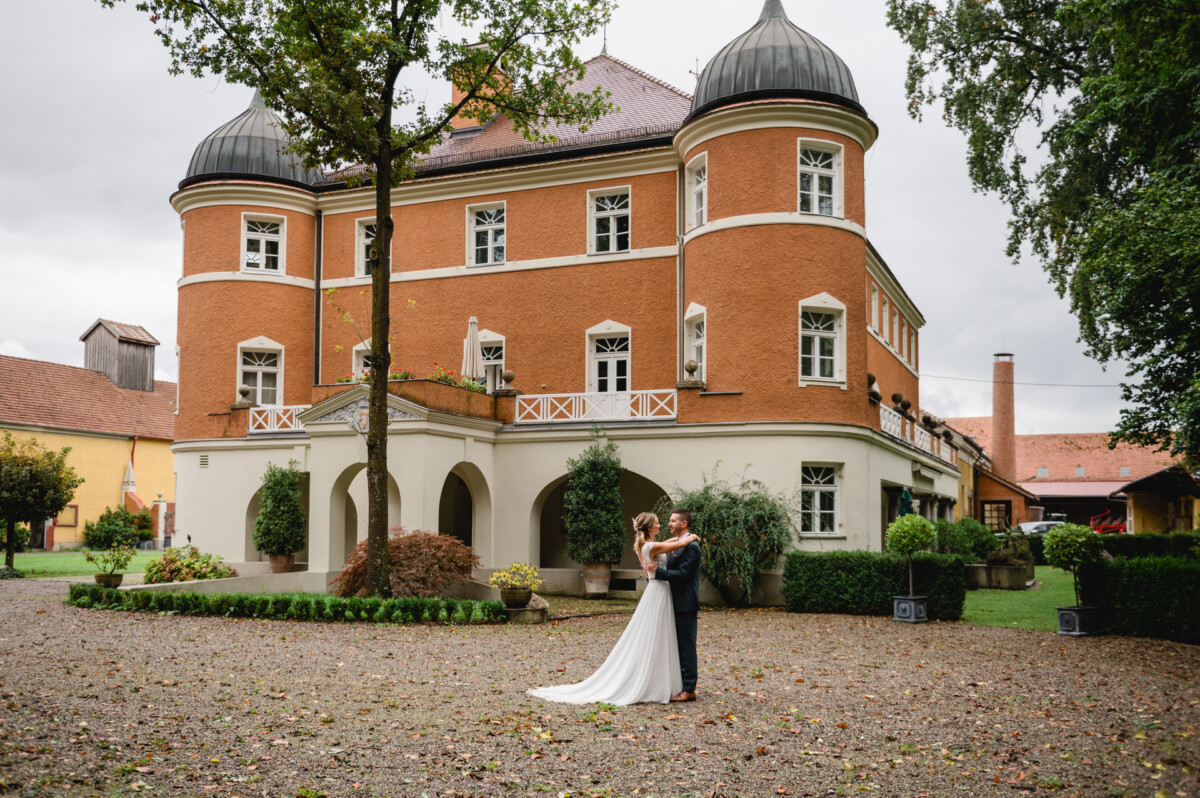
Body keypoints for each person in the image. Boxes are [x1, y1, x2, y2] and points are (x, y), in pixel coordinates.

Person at [526, 512, 699, 705]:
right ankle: (658, 681)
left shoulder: (646, 545)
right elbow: (676, 545)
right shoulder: (652, 546)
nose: (662, 525)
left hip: (660, 592)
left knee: (661, 636)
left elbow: (670, 543)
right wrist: (690, 537)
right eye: (658, 523)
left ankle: (664, 680)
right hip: (659, 592)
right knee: (656, 635)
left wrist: (682, 538)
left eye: (668, 521)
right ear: (650, 528)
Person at [655, 508, 701, 701]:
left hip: (685, 604)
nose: (669, 524)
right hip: (671, 602)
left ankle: (689, 689)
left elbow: (683, 576)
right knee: (674, 645)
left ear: (684, 524)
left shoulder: (692, 547)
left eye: (673, 521)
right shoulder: (678, 543)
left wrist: (657, 572)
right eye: (669, 520)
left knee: (686, 645)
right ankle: (677, 684)